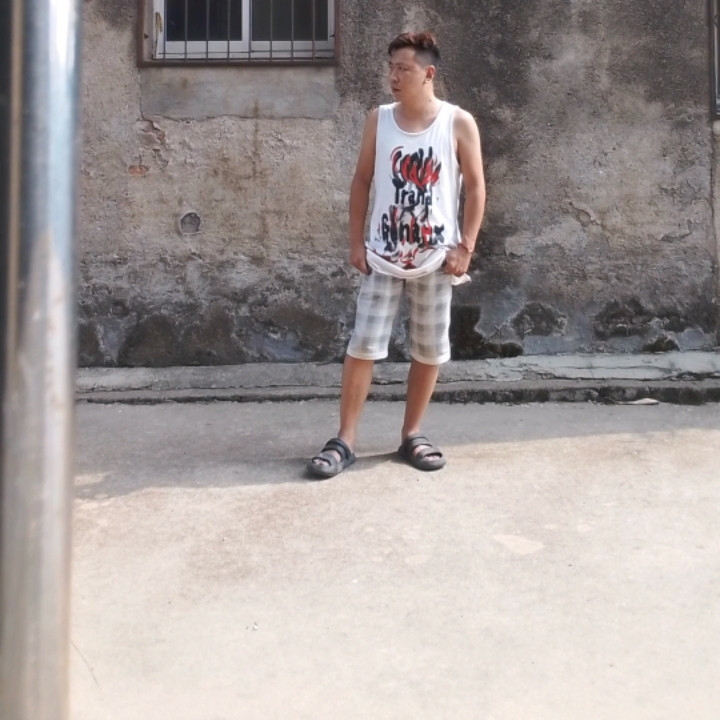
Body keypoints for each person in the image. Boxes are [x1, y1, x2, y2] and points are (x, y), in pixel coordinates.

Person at [307, 30, 486, 479]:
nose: (393, 76)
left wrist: (466, 246)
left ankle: (412, 434)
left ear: (428, 73)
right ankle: (345, 440)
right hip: (383, 256)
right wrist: (356, 242)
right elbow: (362, 180)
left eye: (403, 68)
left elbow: (477, 186)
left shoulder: (457, 122)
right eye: (391, 68)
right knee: (363, 344)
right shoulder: (379, 120)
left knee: (428, 349)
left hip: (436, 258)